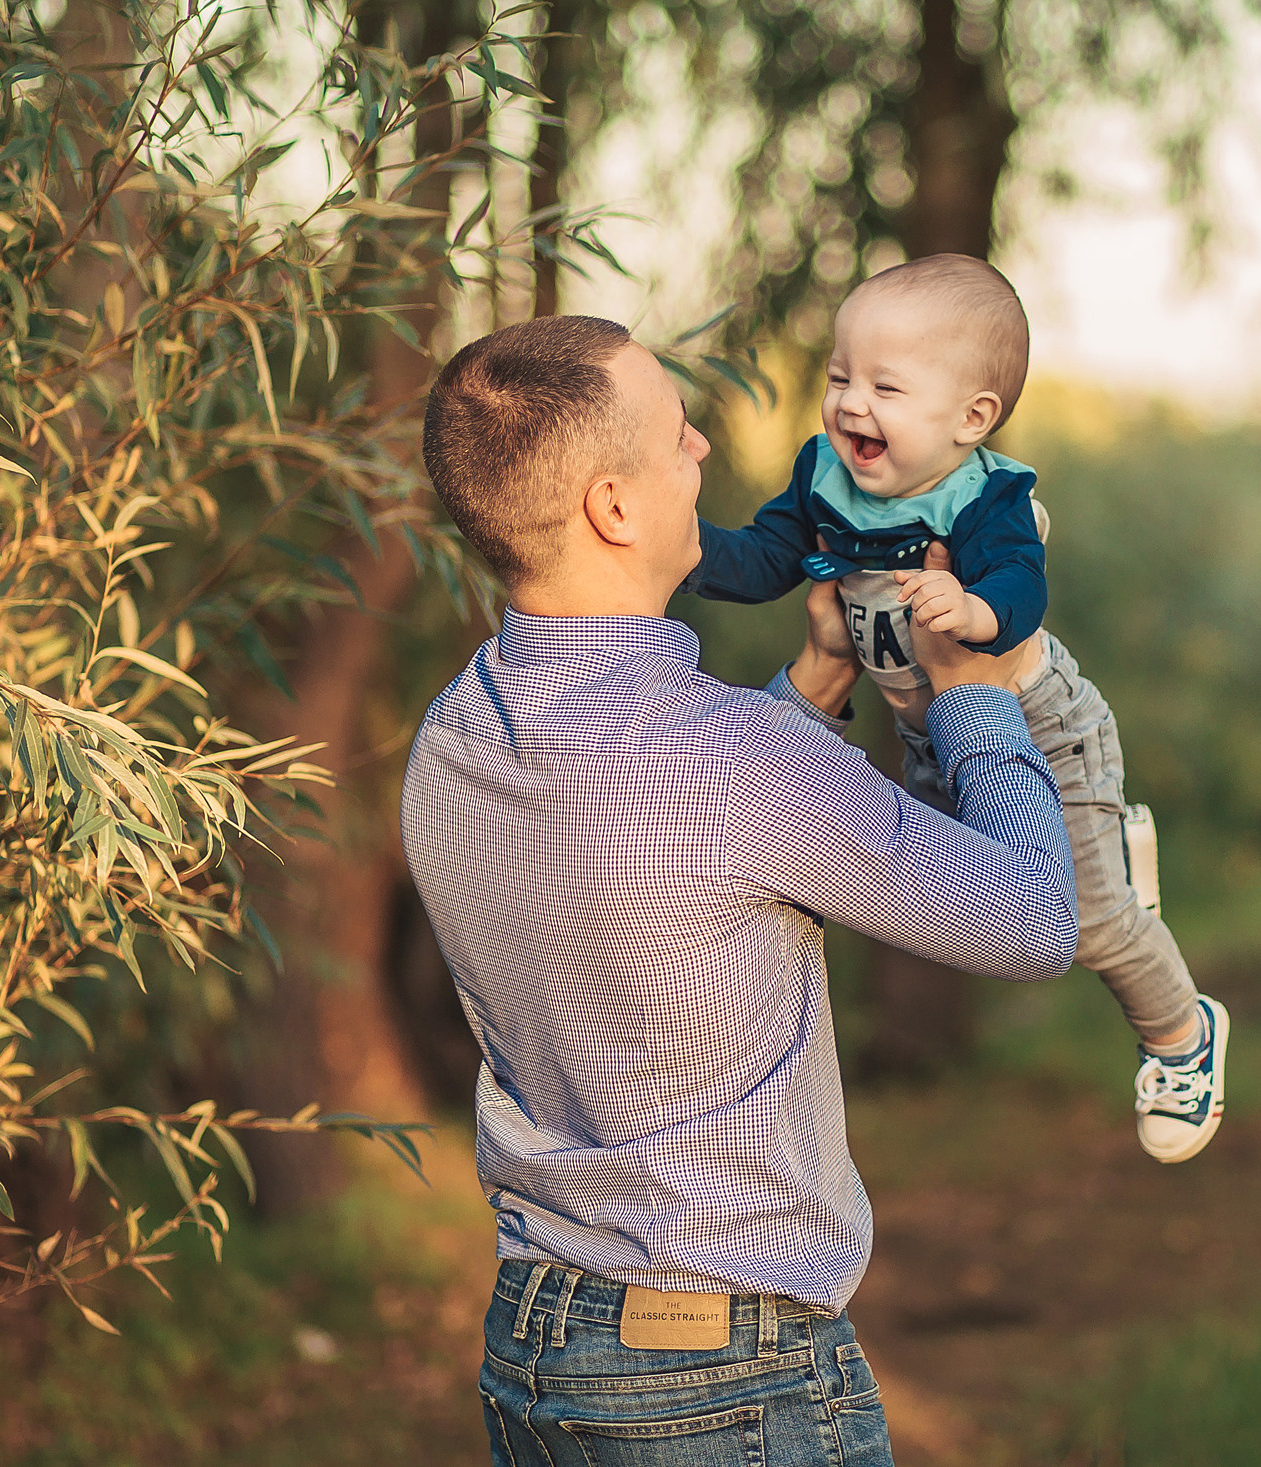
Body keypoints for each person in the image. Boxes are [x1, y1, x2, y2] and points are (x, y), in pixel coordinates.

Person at [401, 314, 1078, 1466]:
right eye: (676, 438)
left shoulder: (458, 731)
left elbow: (664, 843)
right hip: (720, 1379)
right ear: (613, 509)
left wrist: (813, 683)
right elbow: (1032, 919)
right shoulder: (733, 765)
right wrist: (973, 689)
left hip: (535, 1354)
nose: (705, 448)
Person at [682, 254, 1231, 1163]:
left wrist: (976, 611)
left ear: (970, 418)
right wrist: (674, 545)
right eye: (839, 377)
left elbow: (1020, 583)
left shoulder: (987, 496)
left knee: (1089, 925)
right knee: (965, 905)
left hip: (1040, 728)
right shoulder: (824, 476)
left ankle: (1181, 1031)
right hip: (928, 737)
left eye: (886, 387)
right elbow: (757, 560)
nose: (852, 402)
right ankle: (1105, 852)